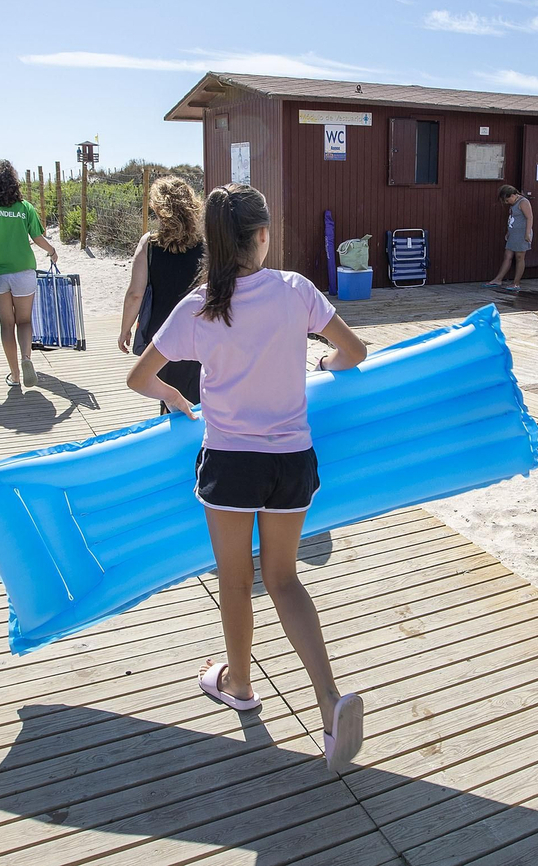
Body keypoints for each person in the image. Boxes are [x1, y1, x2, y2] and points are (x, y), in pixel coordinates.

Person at [126, 184, 370, 772]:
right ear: (263, 236)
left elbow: (139, 378)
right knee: (283, 580)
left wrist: (177, 400)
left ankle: (238, 684)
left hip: (230, 460)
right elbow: (354, 351)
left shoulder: (198, 307)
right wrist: (324, 363)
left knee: (236, 582)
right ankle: (329, 701)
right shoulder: (296, 291)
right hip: (292, 460)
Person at [0, 160, 58, 390]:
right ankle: (26, 358)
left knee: (7, 325)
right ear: (15, 183)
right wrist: (52, 251)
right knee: (24, 321)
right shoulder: (25, 207)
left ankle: (15, 375)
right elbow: (37, 238)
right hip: (24, 270)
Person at [118, 176, 205, 413]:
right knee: (199, 398)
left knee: (170, 400)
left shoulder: (150, 244)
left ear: (159, 209)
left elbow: (135, 293)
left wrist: (125, 330)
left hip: (163, 336)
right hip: (199, 333)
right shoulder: (205, 245)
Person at [485, 185, 533, 291]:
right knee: (507, 255)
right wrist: (508, 231)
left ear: (512, 195)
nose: (507, 203)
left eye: (507, 200)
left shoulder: (523, 202)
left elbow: (529, 217)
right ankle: (498, 279)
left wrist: (527, 233)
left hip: (522, 233)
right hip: (513, 233)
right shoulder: (513, 204)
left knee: (520, 257)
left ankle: (516, 283)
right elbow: (512, 219)